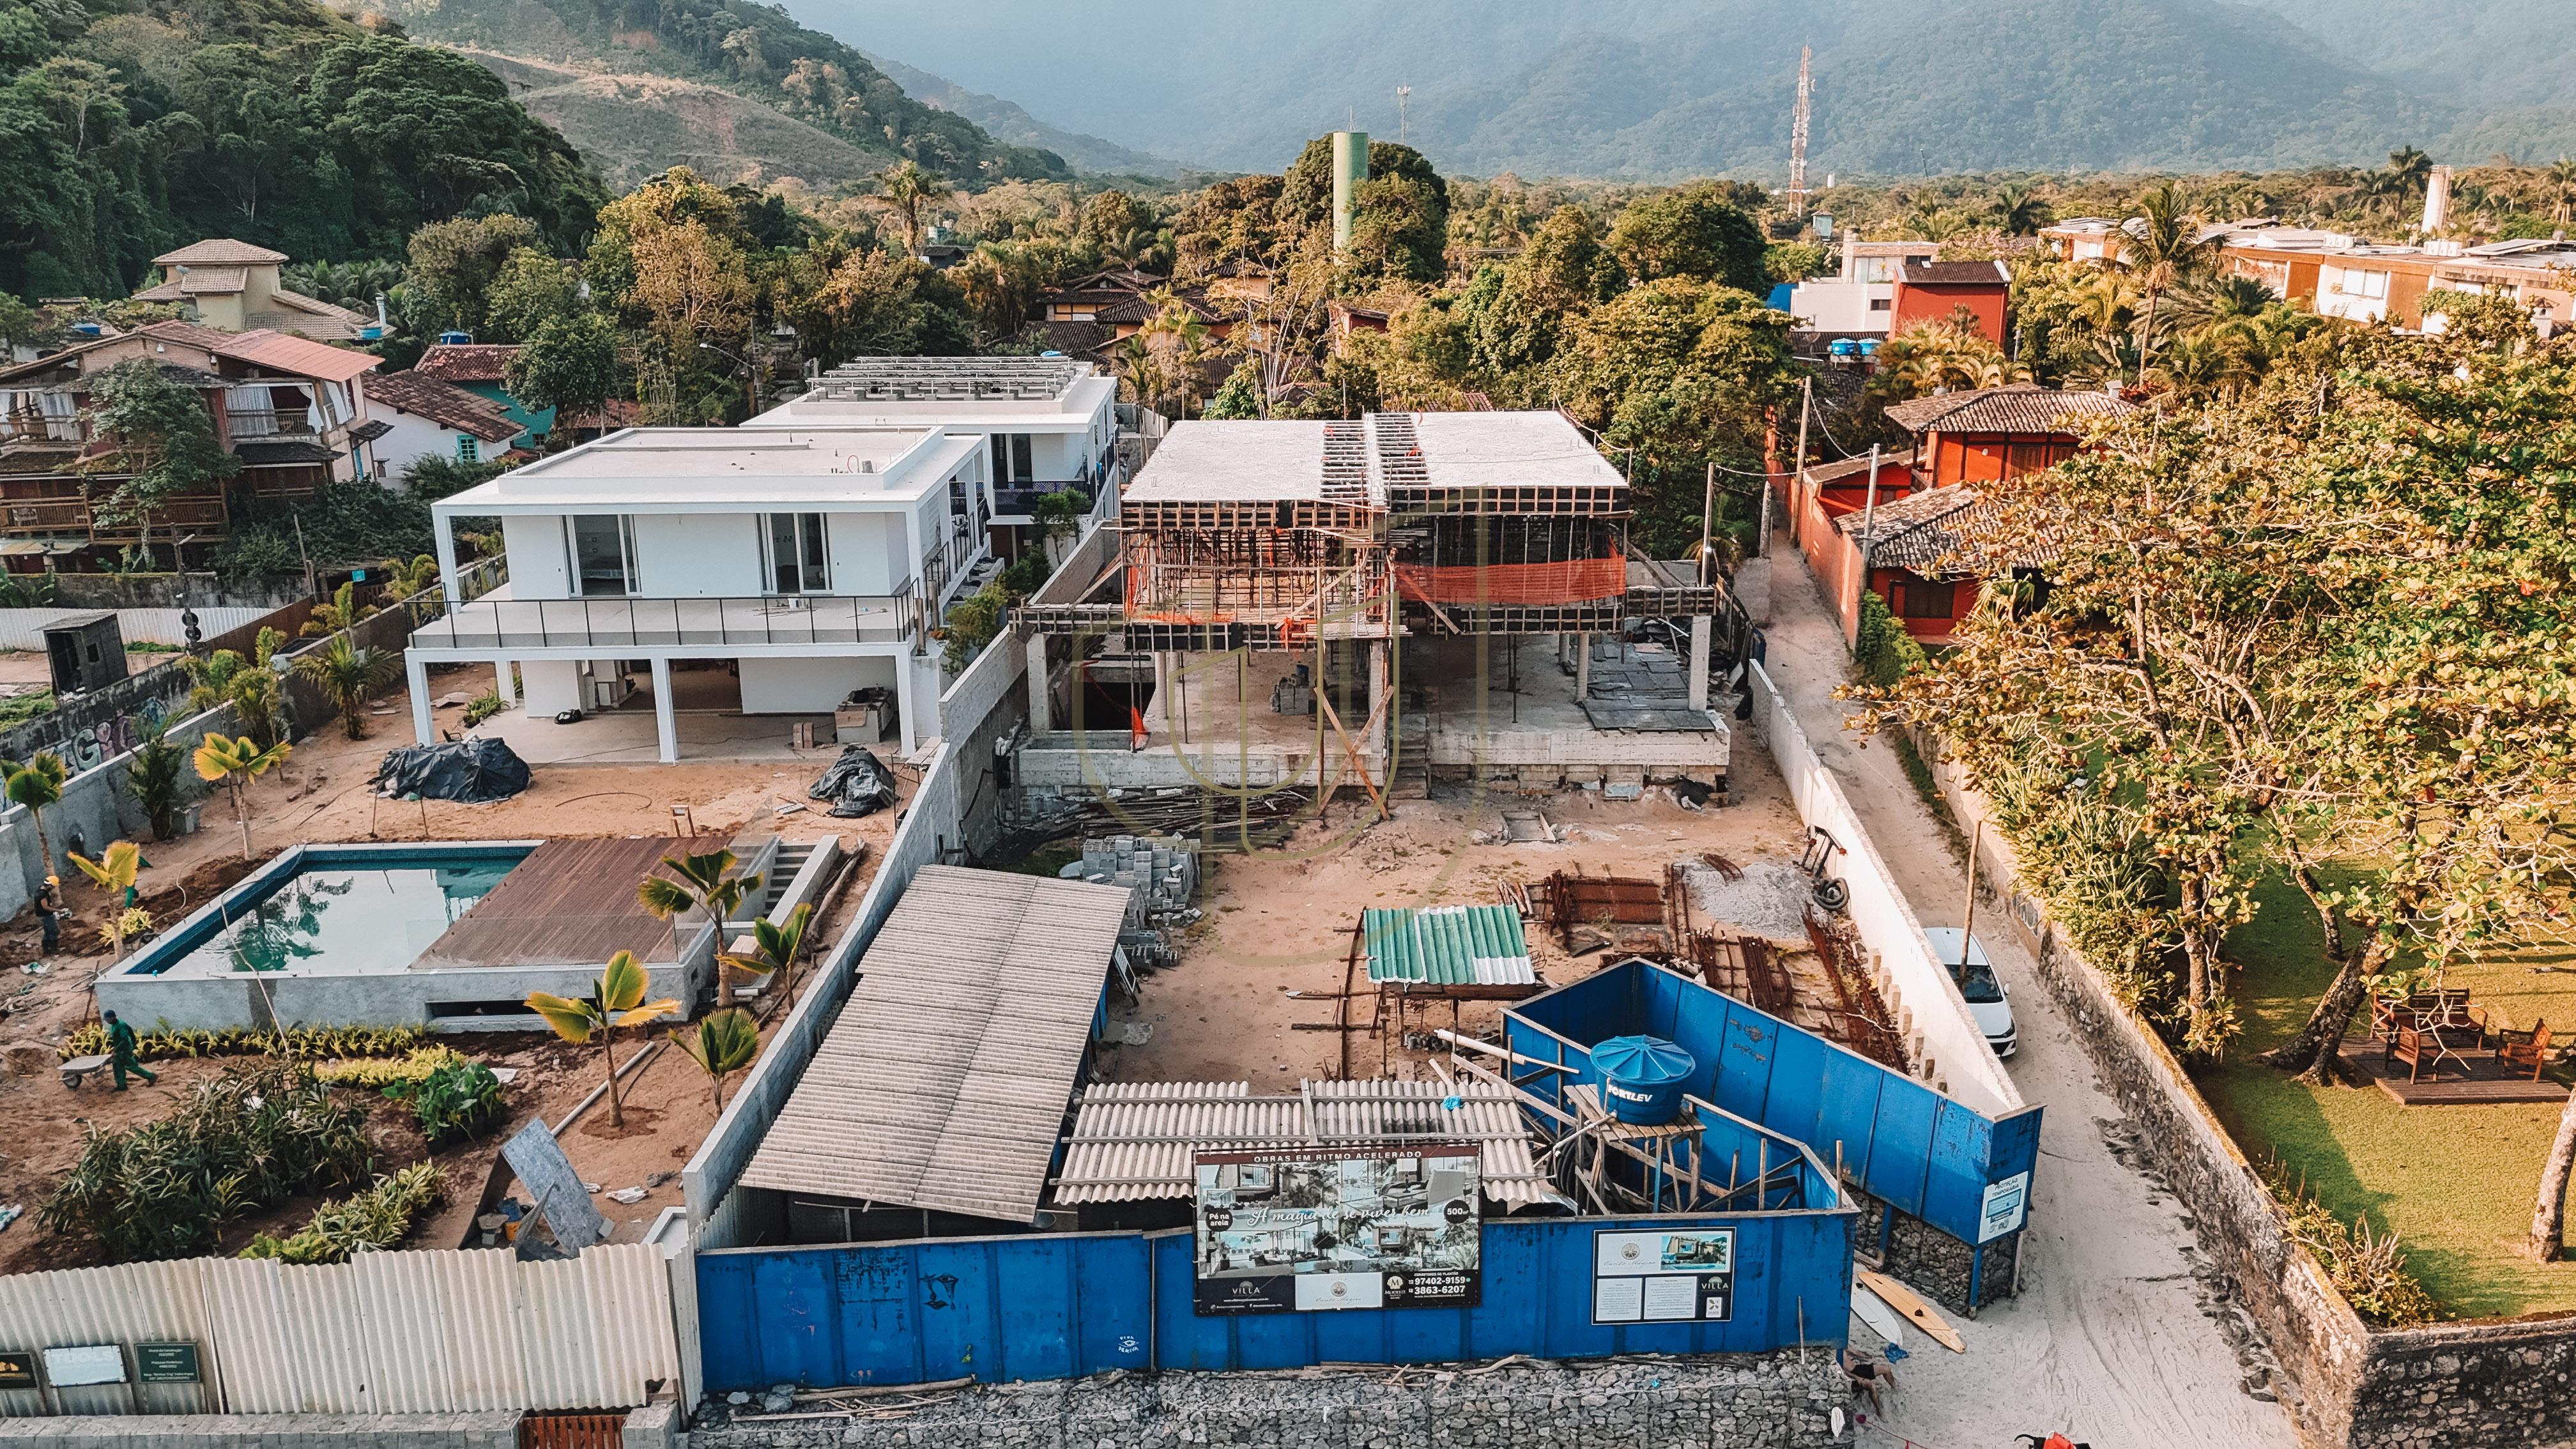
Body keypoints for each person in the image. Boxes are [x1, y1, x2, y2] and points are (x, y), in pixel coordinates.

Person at [104, 1008, 157, 1091]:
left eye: (108, 1019)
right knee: (118, 1067)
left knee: (131, 1066)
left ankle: (150, 1076)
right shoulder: (115, 1025)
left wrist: (117, 1049)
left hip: (124, 1050)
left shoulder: (120, 1025)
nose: (107, 1021)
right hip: (119, 1050)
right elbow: (130, 1031)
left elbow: (124, 1039)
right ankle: (122, 1086)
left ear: (113, 1018)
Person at [1839, 1346, 1894, 1416]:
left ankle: (1894, 1387)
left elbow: (1855, 1352)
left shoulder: (1840, 1343)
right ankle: (1879, 1410)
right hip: (1851, 1376)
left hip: (1857, 1369)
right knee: (1872, 1386)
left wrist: (1870, 1356)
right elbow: (1842, 1370)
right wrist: (1857, 1378)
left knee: (1886, 1369)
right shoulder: (1832, 1353)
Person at [34, 875, 59, 954]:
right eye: (53, 887)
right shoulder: (43, 894)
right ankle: (54, 949)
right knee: (54, 931)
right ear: (50, 885)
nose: (53, 889)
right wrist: (58, 910)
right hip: (46, 915)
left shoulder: (40, 890)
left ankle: (46, 949)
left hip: (42, 915)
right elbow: (45, 907)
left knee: (48, 932)